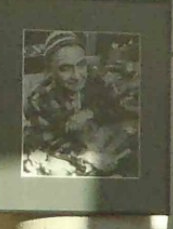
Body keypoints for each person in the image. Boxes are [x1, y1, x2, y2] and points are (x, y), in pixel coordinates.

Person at [21, 30, 138, 178]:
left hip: (103, 143)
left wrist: (90, 112)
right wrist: (86, 155)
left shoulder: (95, 80)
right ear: (51, 70)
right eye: (65, 68)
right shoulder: (40, 100)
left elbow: (119, 106)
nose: (77, 76)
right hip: (76, 150)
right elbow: (43, 140)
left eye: (81, 65)